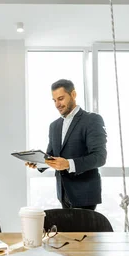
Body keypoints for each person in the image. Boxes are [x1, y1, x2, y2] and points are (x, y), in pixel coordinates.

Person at [27, 79, 107, 210]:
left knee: (84, 230)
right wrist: (37, 162)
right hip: (63, 192)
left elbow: (99, 157)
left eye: (61, 98)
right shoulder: (54, 126)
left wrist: (68, 164)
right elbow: (51, 156)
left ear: (73, 95)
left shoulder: (92, 120)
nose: (57, 104)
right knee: (68, 230)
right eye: (54, 100)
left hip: (85, 193)